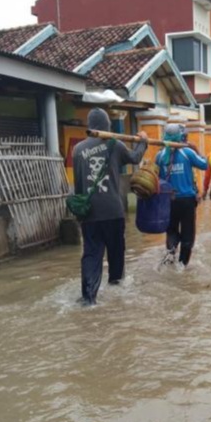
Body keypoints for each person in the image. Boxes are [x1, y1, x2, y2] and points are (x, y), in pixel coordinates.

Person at [72, 108, 148, 305]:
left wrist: (81, 214)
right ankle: (117, 290)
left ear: (89, 126)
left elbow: (79, 185)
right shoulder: (115, 144)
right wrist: (143, 142)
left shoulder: (78, 150)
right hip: (113, 212)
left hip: (90, 214)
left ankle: (89, 298)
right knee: (116, 253)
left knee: (91, 255)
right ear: (107, 125)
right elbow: (135, 159)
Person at [155, 124, 208, 266]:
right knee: (187, 235)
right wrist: (196, 149)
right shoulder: (187, 153)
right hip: (187, 201)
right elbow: (205, 165)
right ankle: (182, 266)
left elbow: (157, 179)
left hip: (168, 201)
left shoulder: (159, 156)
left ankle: (171, 254)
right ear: (180, 137)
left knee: (171, 231)